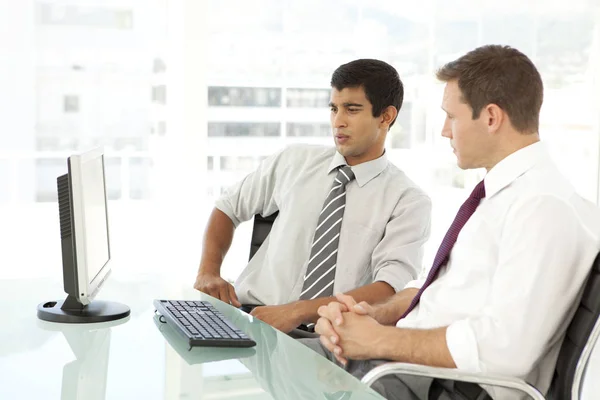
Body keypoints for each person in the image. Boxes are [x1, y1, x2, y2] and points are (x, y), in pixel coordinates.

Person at [304, 45, 600, 400]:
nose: (445, 131)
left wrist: (377, 339)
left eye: (452, 117)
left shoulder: (543, 208)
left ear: (491, 117)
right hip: (407, 371)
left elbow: (505, 350)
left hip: (438, 387)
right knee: (274, 356)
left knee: (272, 376)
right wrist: (379, 314)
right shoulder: (505, 195)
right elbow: (455, 294)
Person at [194, 59, 432, 334]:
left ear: (386, 116)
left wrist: (297, 312)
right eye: (334, 109)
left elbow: (389, 289)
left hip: (331, 339)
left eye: (352, 110)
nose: (338, 122)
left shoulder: (408, 200)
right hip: (253, 321)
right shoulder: (294, 161)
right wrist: (208, 271)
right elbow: (228, 207)